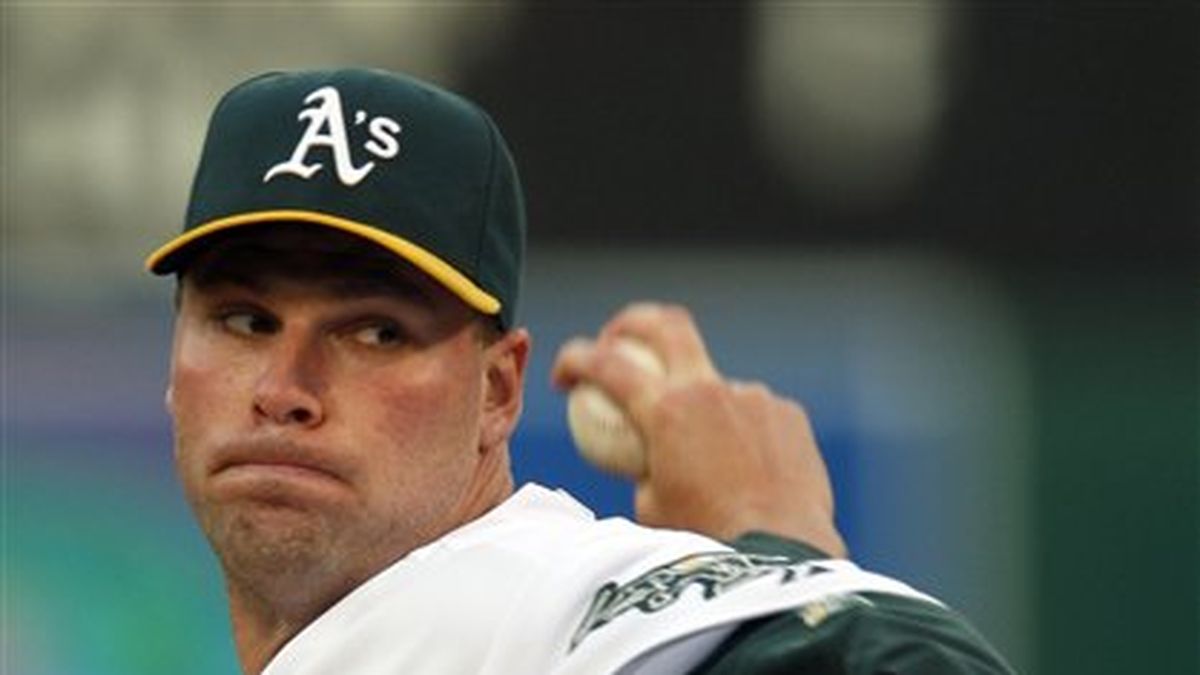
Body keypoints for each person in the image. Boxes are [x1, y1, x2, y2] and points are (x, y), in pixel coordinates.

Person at [146, 67, 1014, 674]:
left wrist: (775, 550)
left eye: (375, 331)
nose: (284, 389)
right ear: (176, 356)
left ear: (497, 392)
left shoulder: (521, 599)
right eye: (245, 320)